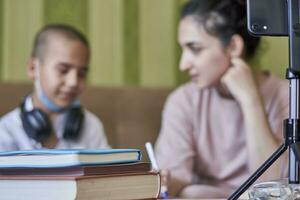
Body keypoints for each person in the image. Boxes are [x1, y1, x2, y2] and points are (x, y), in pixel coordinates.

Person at [155, 0, 289, 198]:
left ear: (234, 46)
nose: (183, 65)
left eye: (195, 48)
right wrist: (165, 181)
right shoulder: (183, 100)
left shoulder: (286, 95)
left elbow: (273, 185)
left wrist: (250, 100)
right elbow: (174, 183)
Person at [0, 24, 110, 150]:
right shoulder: (6, 131)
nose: (73, 82)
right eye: (63, 70)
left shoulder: (91, 126)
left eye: (82, 73)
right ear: (33, 68)